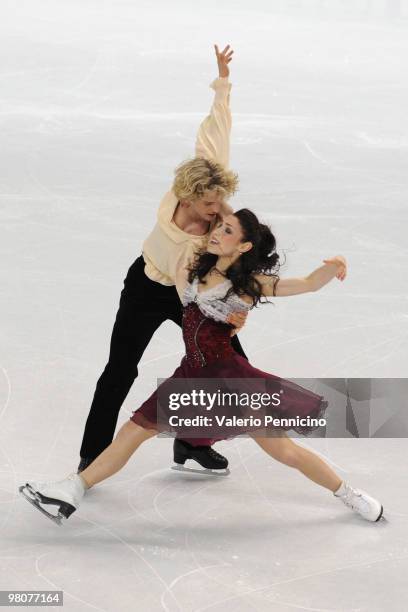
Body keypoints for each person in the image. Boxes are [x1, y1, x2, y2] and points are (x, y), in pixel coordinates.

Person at [19, 208, 384, 525]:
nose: (218, 232)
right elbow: (176, 254)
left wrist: (333, 268)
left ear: (243, 246)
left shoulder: (246, 285)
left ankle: (348, 493)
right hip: (189, 376)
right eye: (220, 225)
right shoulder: (195, 267)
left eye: (228, 230)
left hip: (228, 382)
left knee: (284, 451)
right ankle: (71, 491)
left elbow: (303, 284)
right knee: (132, 433)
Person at [78, 43, 249, 475]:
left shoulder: (211, 199)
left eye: (220, 201)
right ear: (188, 197)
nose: (219, 211)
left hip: (195, 293)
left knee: (227, 367)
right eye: (211, 204)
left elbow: (216, 128)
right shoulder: (185, 216)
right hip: (146, 287)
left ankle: (192, 443)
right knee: (119, 369)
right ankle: (92, 455)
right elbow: (182, 279)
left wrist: (222, 80)